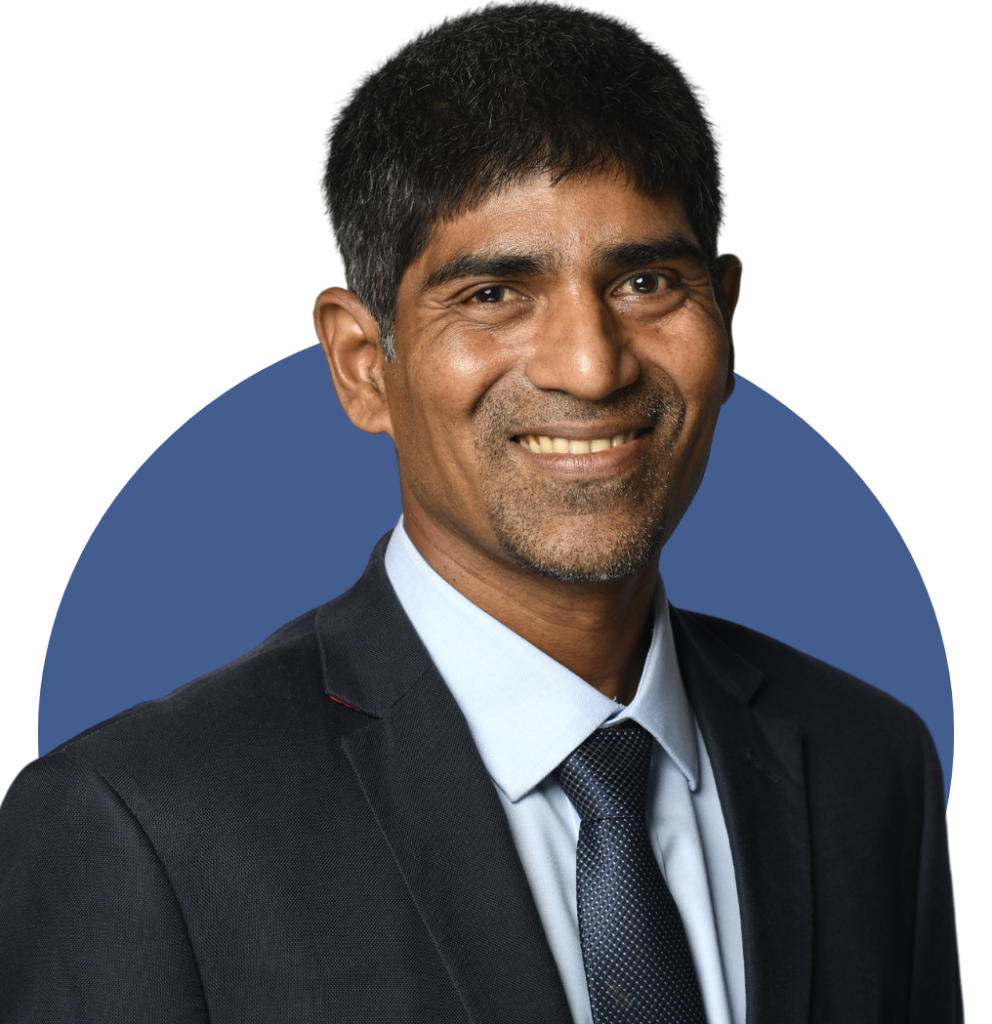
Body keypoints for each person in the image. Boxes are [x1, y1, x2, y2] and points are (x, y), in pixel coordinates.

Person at [1, 2, 963, 1022]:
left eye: (643, 280)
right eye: (494, 293)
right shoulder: (139, 823)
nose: (590, 367)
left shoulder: (869, 763)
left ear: (724, 320)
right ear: (362, 364)